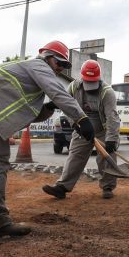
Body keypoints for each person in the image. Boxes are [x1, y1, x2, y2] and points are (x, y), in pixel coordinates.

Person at [0, 41, 94, 238]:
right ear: (48, 57)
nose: (60, 68)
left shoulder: (27, 74)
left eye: (64, 66)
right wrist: (81, 118)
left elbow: (28, 113)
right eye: (59, 63)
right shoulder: (38, 66)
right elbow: (58, 92)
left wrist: (49, 108)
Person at [42, 59, 120, 200]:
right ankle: (63, 187)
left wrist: (111, 140)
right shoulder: (73, 87)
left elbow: (112, 118)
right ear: (82, 78)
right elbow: (65, 105)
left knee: (106, 158)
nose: (90, 86)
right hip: (82, 127)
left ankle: (107, 187)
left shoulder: (107, 92)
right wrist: (75, 125)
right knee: (75, 156)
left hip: (102, 130)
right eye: (87, 82)